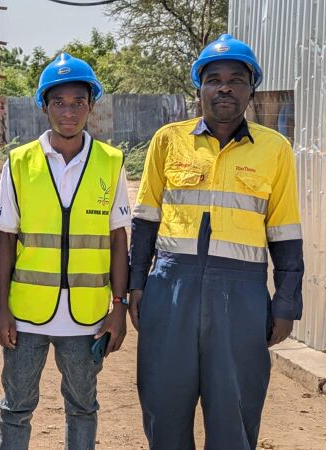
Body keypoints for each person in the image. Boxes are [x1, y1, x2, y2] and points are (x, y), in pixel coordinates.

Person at [129, 34, 304, 450]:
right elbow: (145, 221)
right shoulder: (168, 140)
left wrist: (286, 303)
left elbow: (285, 233)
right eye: (214, 79)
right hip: (171, 289)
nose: (224, 88)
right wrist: (136, 285)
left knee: (234, 412)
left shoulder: (275, 149)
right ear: (199, 88)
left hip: (241, 296)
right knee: (164, 405)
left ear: (251, 89)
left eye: (236, 79)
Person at [0, 53, 130, 450]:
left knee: (83, 407)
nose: (69, 111)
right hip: (26, 316)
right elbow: (6, 240)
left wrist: (118, 307)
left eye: (78, 102)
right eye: (59, 102)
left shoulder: (111, 162)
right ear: (44, 106)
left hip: (87, 318)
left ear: (91, 105)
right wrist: (3, 309)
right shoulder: (19, 163)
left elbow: (119, 240)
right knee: (16, 408)